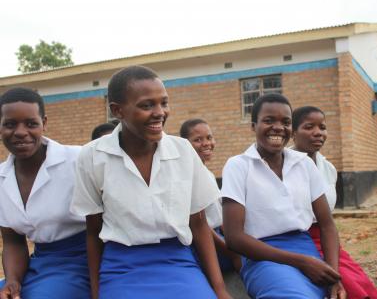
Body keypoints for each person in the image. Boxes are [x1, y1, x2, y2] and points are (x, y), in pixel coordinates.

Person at [70, 65, 230, 299]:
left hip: (177, 260)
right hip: (121, 266)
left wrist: (219, 290)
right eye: (147, 105)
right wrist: (96, 292)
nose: (160, 112)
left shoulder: (183, 151)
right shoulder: (92, 156)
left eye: (163, 103)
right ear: (118, 110)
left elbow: (198, 224)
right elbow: (93, 232)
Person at [221, 93, 346, 299]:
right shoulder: (238, 166)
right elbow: (234, 238)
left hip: (305, 249)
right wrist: (301, 262)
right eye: (269, 120)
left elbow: (327, 225)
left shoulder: (304, 164)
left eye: (286, 122)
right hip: (261, 256)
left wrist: (334, 277)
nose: (278, 127)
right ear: (254, 126)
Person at [0, 88, 90, 299]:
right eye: (10, 124)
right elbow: (13, 241)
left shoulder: (77, 160)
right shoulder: (1, 178)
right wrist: (13, 281)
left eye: (31, 123)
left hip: (84, 260)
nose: (21, 132)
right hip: (39, 263)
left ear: (44, 123)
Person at [292, 105, 377, 299]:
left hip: (325, 238)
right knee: (345, 286)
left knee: (360, 283)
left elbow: (327, 222)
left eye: (322, 127)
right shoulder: (282, 166)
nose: (318, 133)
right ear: (293, 132)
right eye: (309, 127)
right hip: (297, 239)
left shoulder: (328, 169)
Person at [179, 119, 241, 272]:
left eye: (209, 137)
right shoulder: (185, 176)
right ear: (185, 144)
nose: (206, 143)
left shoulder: (207, 173)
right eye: (198, 140)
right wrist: (231, 252)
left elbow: (220, 216)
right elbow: (199, 226)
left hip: (220, 237)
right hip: (205, 243)